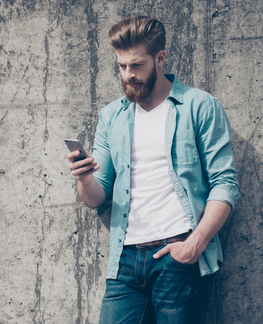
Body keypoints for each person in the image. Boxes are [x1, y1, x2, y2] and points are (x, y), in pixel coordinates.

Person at [67, 16, 240, 323]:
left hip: (177, 255)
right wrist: (85, 178)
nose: (127, 75)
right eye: (121, 66)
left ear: (161, 58)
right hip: (125, 261)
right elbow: (97, 197)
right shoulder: (112, 116)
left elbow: (225, 184)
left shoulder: (199, 106)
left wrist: (193, 246)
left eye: (136, 66)